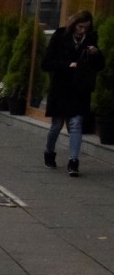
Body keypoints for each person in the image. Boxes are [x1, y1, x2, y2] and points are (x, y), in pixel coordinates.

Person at [42, 9, 104, 176]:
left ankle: (73, 161)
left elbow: (99, 66)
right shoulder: (60, 35)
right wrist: (67, 65)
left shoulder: (91, 39)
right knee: (56, 125)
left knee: (76, 125)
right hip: (61, 87)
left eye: (86, 28)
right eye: (80, 26)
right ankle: (49, 152)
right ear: (74, 24)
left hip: (79, 89)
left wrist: (96, 53)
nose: (82, 30)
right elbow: (46, 63)